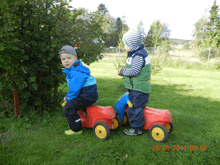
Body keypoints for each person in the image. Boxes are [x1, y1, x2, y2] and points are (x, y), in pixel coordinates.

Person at [59, 45, 98, 135]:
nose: (66, 61)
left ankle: (76, 129)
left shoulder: (75, 72)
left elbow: (74, 89)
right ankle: (84, 119)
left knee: (68, 107)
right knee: (74, 104)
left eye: (69, 58)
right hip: (88, 94)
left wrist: (68, 97)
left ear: (75, 58)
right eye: (63, 59)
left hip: (86, 96)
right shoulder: (75, 68)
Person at [118, 30, 151, 136]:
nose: (124, 47)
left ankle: (136, 129)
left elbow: (134, 71)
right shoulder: (136, 53)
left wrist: (122, 71)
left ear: (132, 45)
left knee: (135, 108)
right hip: (136, 87)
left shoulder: (138, 55)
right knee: (134, 106)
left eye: (126, 44)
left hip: (139, 89)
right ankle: (134, 122)